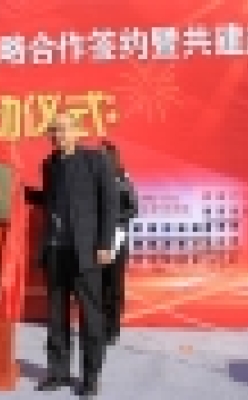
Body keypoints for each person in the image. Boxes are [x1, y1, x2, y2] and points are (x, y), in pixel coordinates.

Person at [25, 114, 117, 398]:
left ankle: (90, 377)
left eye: (63, 129)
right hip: (56, 250)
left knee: (90, 317)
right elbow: (49, 199)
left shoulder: (96, 160)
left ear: (78, 132)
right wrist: (20, 191)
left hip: (85, 251)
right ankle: (58, 372)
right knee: (56, 316)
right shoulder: (49, 164)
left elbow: (110, 204)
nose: (57, 135)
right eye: (53, 130)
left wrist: (105, 244)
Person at [101, 141, 138, 346]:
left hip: (117, 237)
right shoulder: (95, 179)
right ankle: (99, 326)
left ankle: (113, 328)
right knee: (99, 284)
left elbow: (133, 209)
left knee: (114, 284)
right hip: (98, 238)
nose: (101, 160)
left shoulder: (123, 180)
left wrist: (113, 219)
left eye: (105, 156)